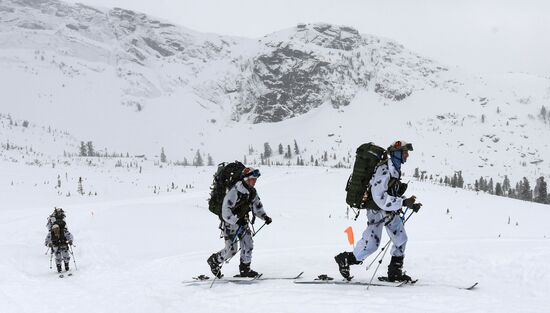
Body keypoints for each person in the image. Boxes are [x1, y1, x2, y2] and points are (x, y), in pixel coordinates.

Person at [335, 140, 422, 282]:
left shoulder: (394, 168)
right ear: (397, 153)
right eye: (405, 152)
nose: (407, 155)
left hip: (388, 212)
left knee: (401, 239)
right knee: (371, 245)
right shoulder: (384, 169)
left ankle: (395, 273)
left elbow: (391, 193)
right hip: (377, 212)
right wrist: (403, 202)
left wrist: (409, 204)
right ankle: (345, 259)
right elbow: (379, 197)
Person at [207, 167, 272, 278]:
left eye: (255, 179)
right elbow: (225, 211)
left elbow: (257, 206)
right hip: (230, 224)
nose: (255, 181)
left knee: (248, 244)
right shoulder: (234, 191)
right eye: (253, 179)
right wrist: (236, 220)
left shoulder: (251, 191)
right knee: (231, 250)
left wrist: (264, 216)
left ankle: (245, 269)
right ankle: (214, 260)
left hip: (242, 222)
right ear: (246, 179)